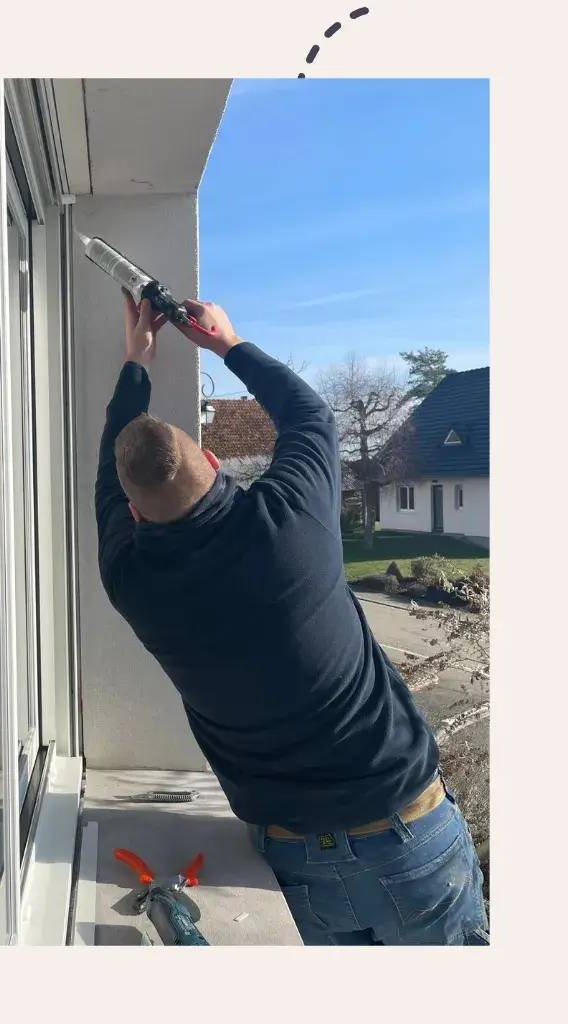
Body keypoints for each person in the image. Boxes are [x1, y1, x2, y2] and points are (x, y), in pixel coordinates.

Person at [94, 291, 488, 946]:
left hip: (296, 863)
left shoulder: (131, 581)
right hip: (410, 838)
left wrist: (135, 362)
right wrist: (225, 343)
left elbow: (110, 479)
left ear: (133, 516)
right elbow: (309, 416)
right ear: (216, 465)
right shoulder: (292, 523)